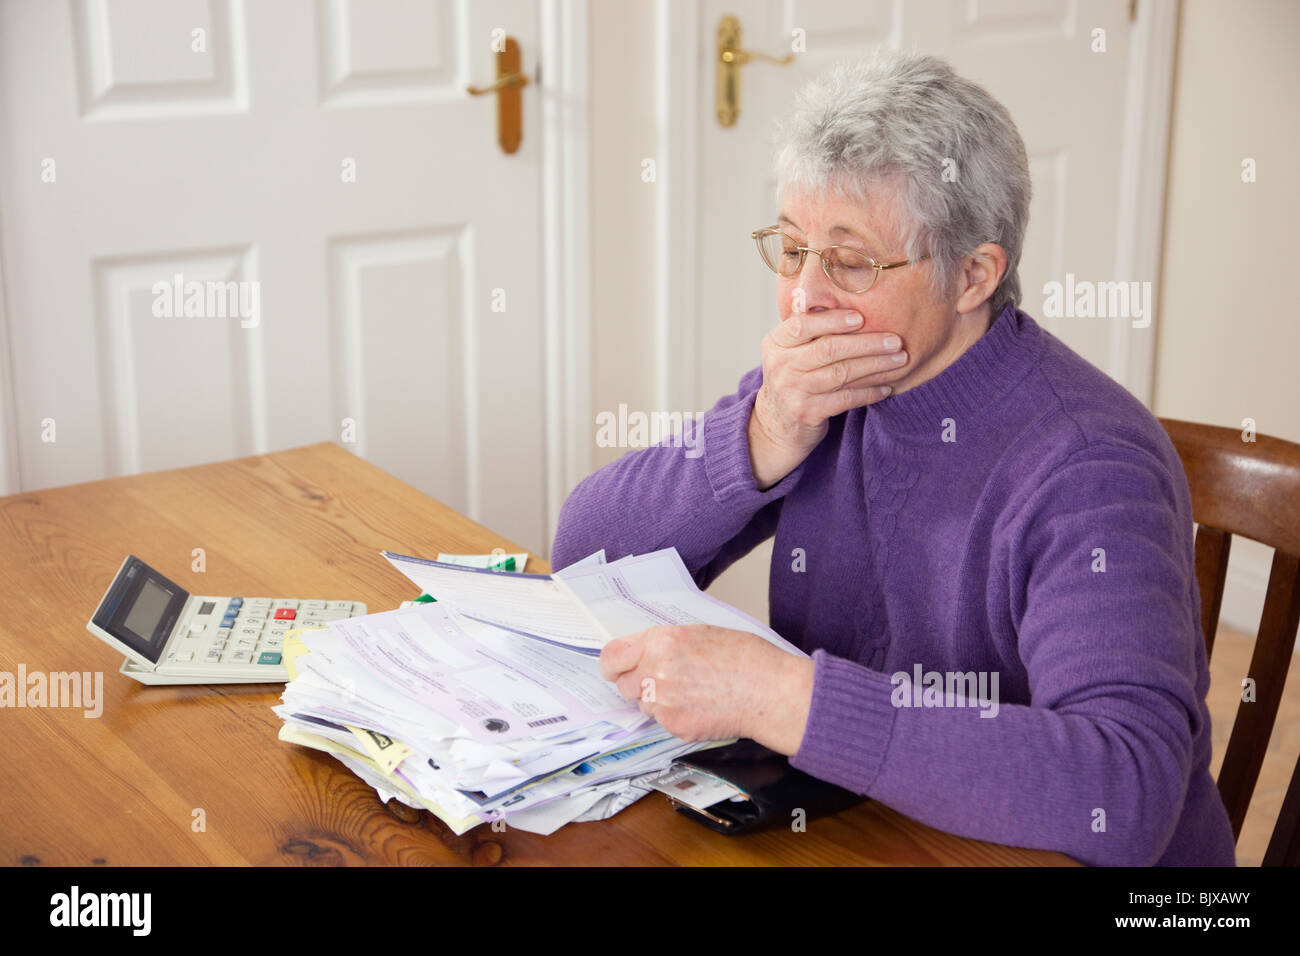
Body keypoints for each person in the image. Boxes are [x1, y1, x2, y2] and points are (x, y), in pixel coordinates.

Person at [551, 50, 1236, 866]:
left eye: (850, 261)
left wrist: (783, 698)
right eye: (793, 247)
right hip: (857, 824)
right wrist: (762, 438)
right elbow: (583, 556)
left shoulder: (1089, 466)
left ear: (975, 274)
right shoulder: (829, 381)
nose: (805, 297)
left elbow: (1122, 793)